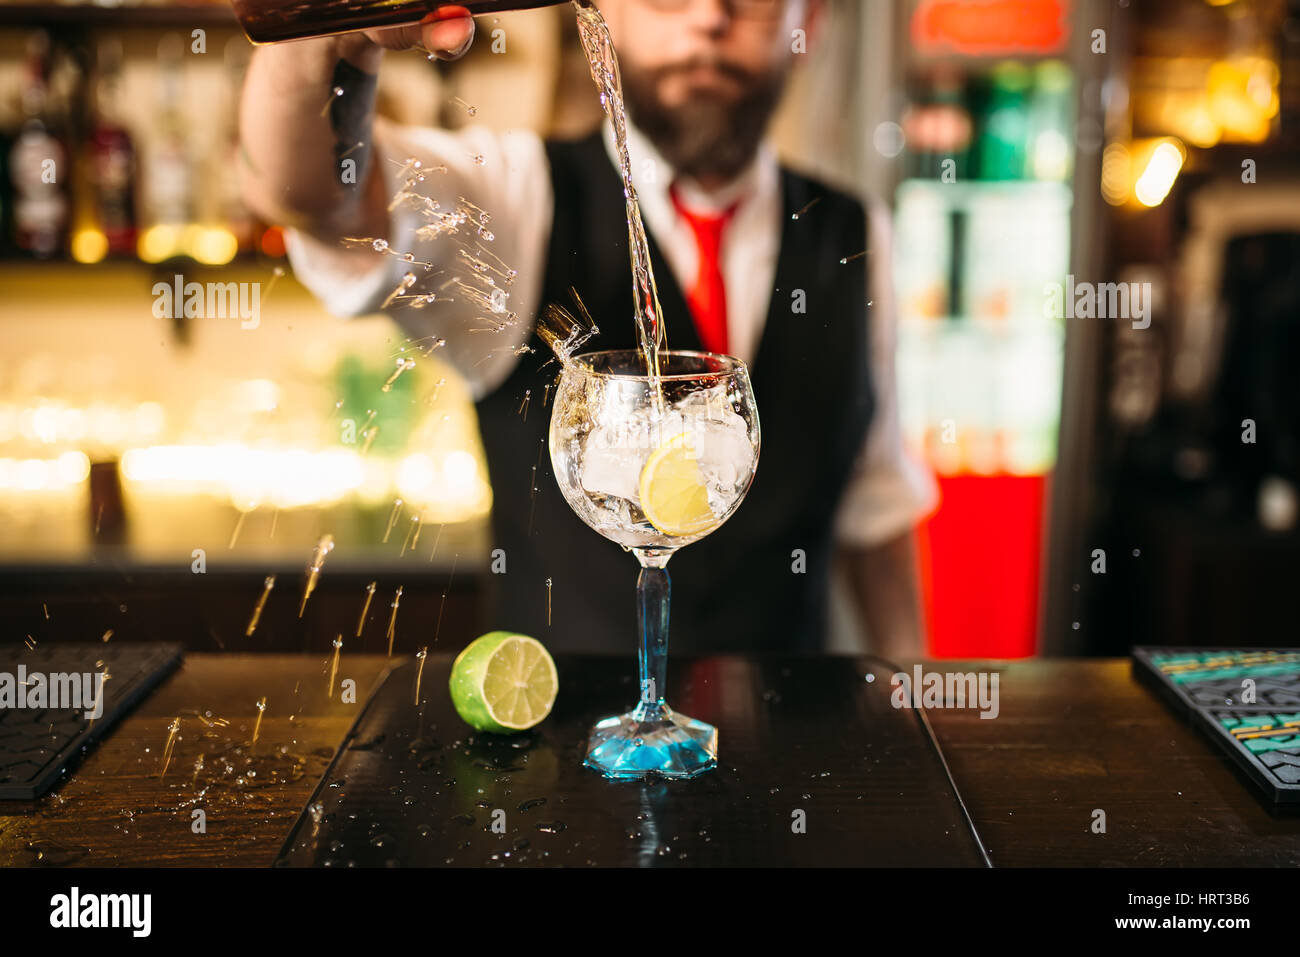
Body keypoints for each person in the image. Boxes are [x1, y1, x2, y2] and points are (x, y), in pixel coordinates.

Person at [239, 0, 937, 659]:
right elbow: (317, 197)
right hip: (562, 759)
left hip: (788, 751)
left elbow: (874, 505)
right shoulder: (515, 196)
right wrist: (329, 35)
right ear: (603, 16)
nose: (708, 17)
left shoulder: (856, 231)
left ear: (805, 19)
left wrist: (917, 697)